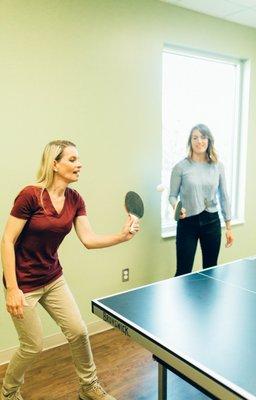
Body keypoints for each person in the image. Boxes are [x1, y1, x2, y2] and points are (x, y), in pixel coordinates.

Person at [1, 140, 140, 400]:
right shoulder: (30, 196)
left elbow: (88, 240)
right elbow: (7, 240)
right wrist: (12, 289)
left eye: (79, 160)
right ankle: (9, 393)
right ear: (54, 164)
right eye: (72, 160)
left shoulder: (75, 199)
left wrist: (122, 237)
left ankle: (89, 387)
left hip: (52, 277)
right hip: (23, 283)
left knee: (78, 331)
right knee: (32, 346)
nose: (79, 165)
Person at [169, 124, 233, 277]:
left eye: (203, 137)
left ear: (209, 140)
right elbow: (172, 196)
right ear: (190, 141)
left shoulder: (218, 166)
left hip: (212, 222)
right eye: (195, 138)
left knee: (210, 270)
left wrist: (228, 227)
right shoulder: (180, 167)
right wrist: (177, 206)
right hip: (187, 223)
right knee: (183, 271)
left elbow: (224, 196)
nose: (199, 141)